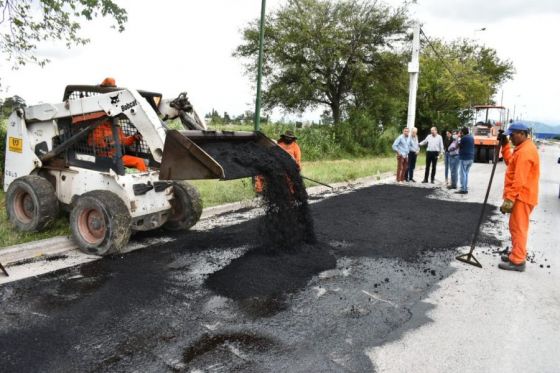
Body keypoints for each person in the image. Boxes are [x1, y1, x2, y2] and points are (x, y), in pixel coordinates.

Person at [498, 122, 540, 272]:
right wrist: (504, 145)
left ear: (522, 133)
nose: (510, 137)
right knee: (515, 227)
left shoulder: (526, 152)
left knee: (518, 228)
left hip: (522, 196)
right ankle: (517, 253)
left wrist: (509, 199)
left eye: (512, 134)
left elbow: (519, 180)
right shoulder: (521, 148)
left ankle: (518, 261)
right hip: (521, 195)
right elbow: (510, 163)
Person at [86, 78, 147, 172]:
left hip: (118, 157)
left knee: (140, 162)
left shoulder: (116, 126)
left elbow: (124, 141)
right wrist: (110, 144)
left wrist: (134, 138)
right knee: (138, 162)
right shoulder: (97, 127)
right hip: (106, 160)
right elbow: (93, 144)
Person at [456, 127, 475, 194]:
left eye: (461, 132)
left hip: (464, 158)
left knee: (462, 173)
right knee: (466, 173)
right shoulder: (471, 137)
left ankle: (463, 189)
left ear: (462, 132)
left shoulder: (463, 138)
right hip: (471, 158)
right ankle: (465, 187)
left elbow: (458, 146)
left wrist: (458, 138)